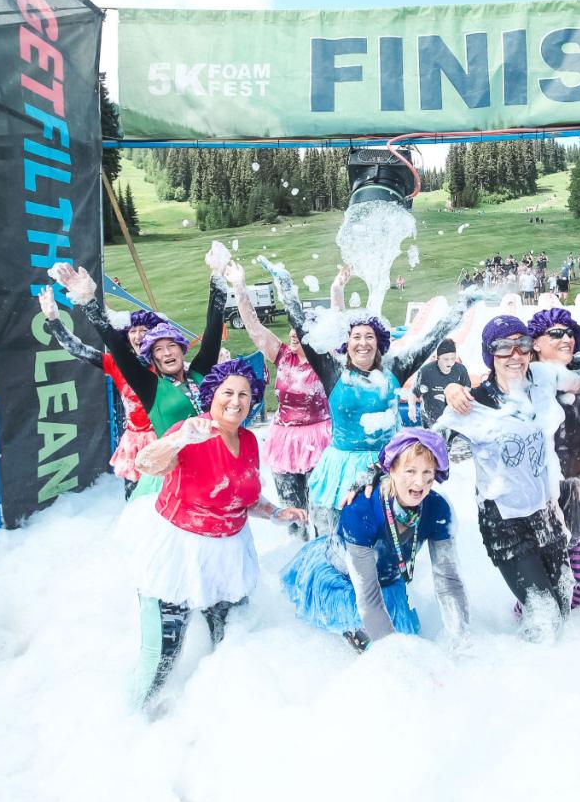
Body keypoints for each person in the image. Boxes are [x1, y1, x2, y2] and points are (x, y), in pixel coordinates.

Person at [126, 360, 307, 709]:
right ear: (212, 395)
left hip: (228, 557)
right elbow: (146, 465)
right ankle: (132, 723)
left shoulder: (250, 440)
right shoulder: (191, 430)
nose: (236, 401)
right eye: (228, 393)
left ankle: (214, 721)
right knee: (163, 654)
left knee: (231, 644)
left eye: (244, 394)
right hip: (179, 555)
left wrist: (275, 513)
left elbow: (245, 497)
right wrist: (179, 439)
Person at [267, 261, 469, 538]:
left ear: (379, 342)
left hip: (387, 467)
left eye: (369, 336)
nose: (363, 342)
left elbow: (430, 339)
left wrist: (462, 307)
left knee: (388, 542)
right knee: (336, 542)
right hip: (340, 469)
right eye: (356, 337)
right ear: (347, 344)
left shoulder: (394, 370)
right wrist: (285, 284)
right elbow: (301, 326)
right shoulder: (332, 370)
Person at [440, 315, 580, 635]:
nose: (515, 355)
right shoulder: (475, 403)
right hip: (506, 521)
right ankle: (518, 671)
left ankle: (544, 673)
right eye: (503, 348)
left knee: (562, 604)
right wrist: (449, 387)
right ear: (490, 355)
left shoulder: (541, 380)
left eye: (522, 346)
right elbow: (430, 445)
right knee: (544, 614)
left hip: (546, 515)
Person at [49, 262, 227, 499]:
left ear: (182, 350)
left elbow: (213, 333)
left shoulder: (197, 374)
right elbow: (114, 346)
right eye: (159, 349)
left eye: (171, 346)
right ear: (152, 357)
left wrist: (218, 278)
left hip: (214, 467)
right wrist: (87, 301)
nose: (166, 352)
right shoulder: (151, 387)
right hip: (177, 473)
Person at [280, 429, 469, 650]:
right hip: (345, 581)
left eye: (427, 472)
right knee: (378, 650)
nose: (419, 482)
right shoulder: (361, 509)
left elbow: (448, 581)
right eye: (410, 471)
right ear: (392, 470)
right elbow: (368, 596)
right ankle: (348, 630)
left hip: (387, 581)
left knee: (411, 639)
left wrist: (460, 640)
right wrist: (392, 653)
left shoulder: (438, 508)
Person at [221, 261, 330, 541]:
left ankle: (327, 560)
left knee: (323, 512)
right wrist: (239, 286)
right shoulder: (282, 355)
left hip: (319, 439)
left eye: (299, 327)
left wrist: (336, 290)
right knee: (293, 513)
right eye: (291, 327)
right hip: (284, 441)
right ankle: (299, 554)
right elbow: (254, 328)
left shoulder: (325, 362)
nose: (293, 332)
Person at [37, 291, 160, 491]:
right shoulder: (118, 364)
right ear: (126, 338)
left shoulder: (167, 363)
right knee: (137, 500)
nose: (138, 336)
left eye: (143, 330)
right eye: (132, 331)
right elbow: (79, 350)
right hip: (135, 443)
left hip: (165, 437)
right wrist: (53, 319)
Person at [528, 307, 580, 608]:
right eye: (556, 333)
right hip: (538, 494)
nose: (566, 338)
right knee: (540, 590)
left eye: (570, 333)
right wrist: (454, 387)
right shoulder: (522, 381)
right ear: (535, 343)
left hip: (578, 487)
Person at [414, 338, 470, 426]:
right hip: (430, 421)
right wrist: (411, 408)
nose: (450, 363)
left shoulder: (461, 370)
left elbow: (468, 392)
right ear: (437, 357)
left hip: (453, 422)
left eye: (453, 359)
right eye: (446, 359)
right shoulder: (426, 371)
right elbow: (414, 393)